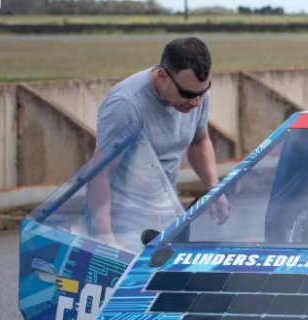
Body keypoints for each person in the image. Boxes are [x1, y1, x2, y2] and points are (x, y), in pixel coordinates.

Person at [88, 36, 229, 248]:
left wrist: (214, 189)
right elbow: (100, 172)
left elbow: (199, 142)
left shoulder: (196, 94)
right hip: (123, 223)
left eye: (203, 91)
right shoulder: (126, 105)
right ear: (162, 76)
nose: (196, 102)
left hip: (167, 215)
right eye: (188, 94)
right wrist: (105, 238)